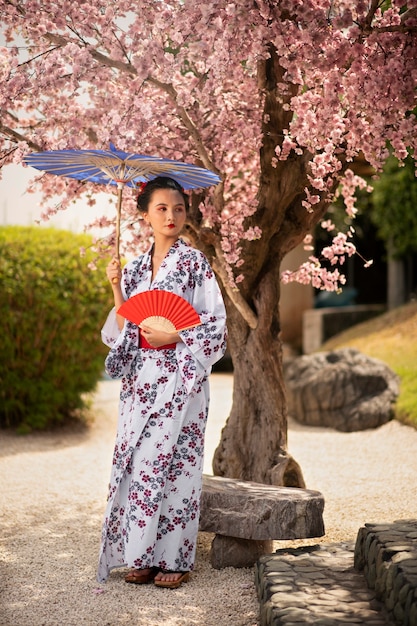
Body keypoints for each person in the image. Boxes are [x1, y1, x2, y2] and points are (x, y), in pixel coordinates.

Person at [97, 176, 227, 588]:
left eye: (179, 209)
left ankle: (175, 559)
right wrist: (117, 287)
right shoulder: (134, 268)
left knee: (178, 466)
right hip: (141, 381)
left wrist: (176, 335)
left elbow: (216, 325)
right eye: (162, 208)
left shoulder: (194, 264)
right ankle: (141, 554)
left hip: (181, 379)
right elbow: (126, 327)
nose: (171, 216)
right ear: (144, 214)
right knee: (140, 466)